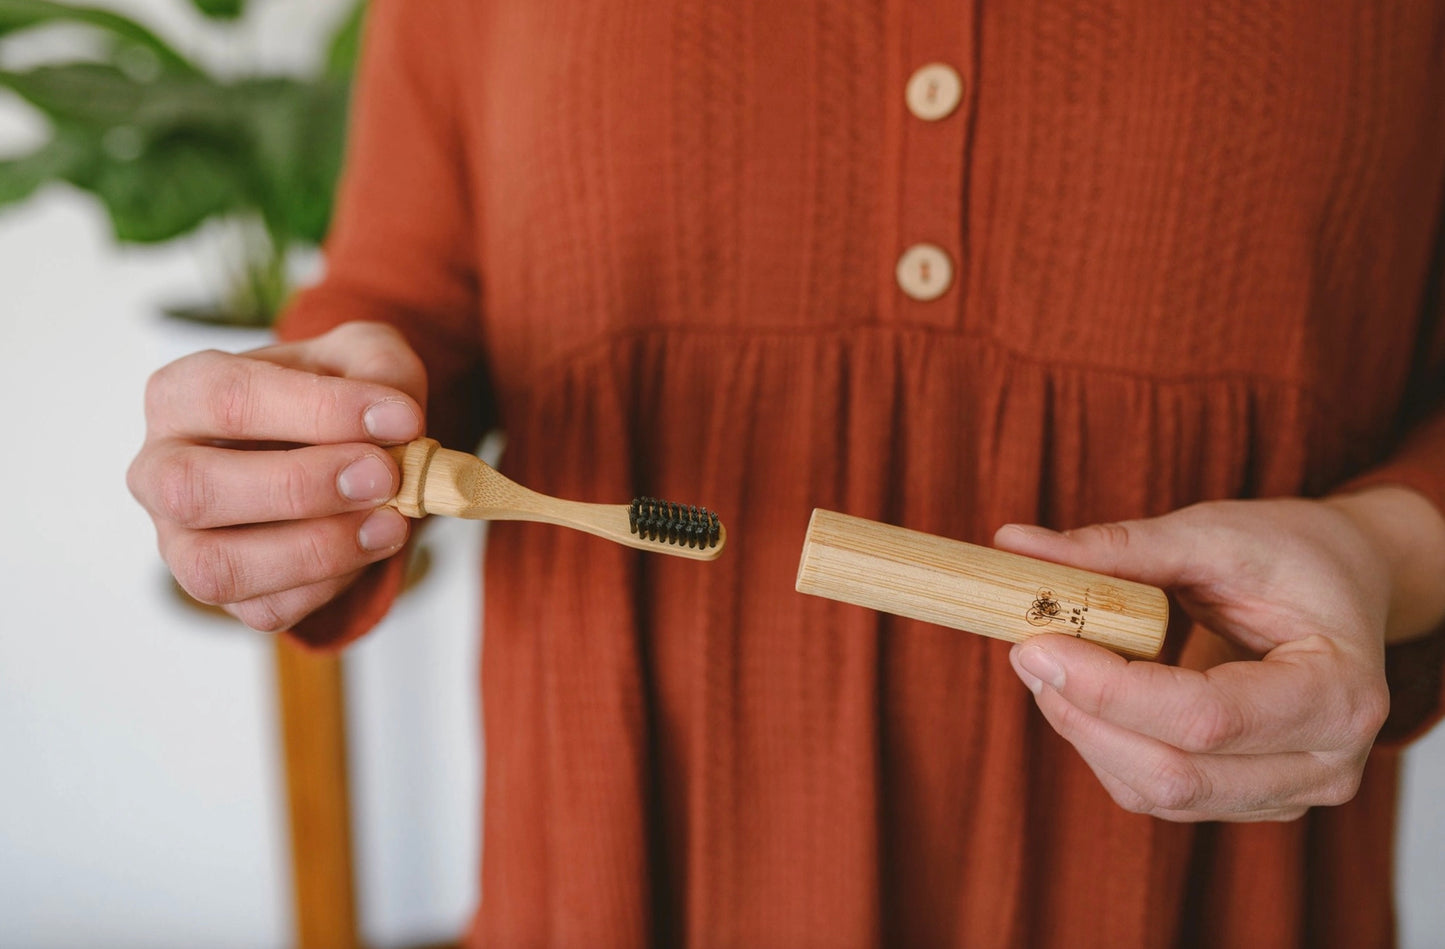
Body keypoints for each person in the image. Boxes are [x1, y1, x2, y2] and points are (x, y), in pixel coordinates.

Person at [127, 1, 1445, 945]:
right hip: (620, 853)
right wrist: (301, 446)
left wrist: (1390, 555)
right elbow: (412, 289)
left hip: (1197, 881)